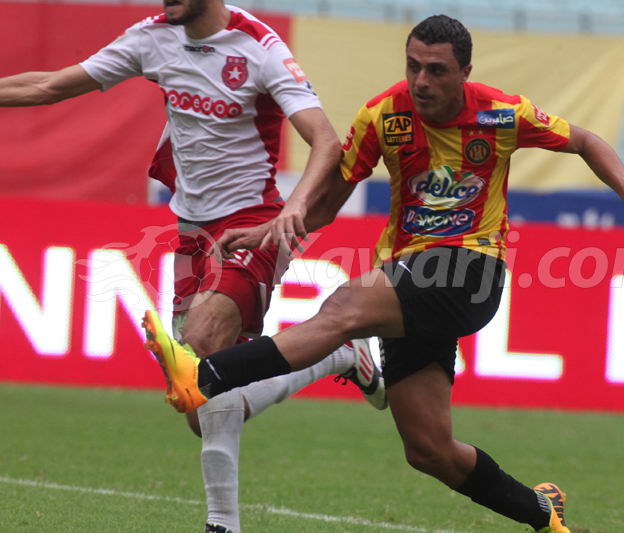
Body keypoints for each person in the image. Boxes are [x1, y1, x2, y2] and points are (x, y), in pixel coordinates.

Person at [143, 14, 624, 533]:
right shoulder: (382, 116)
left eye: (437, 70)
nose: (421, 81)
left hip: (471, 268)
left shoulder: (502, 113)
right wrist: (271, 229)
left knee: (345, 308)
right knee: (429, 450)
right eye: (414, 66)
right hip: (407, 275)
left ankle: (207, 377)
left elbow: (586, 141)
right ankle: (541, 513)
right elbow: (326, 206)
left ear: (464, 71)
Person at [0, 1, 386, 532]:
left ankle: (221, 524)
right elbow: (48, 86)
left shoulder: (259, 46)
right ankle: (337, 355)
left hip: (253, 222)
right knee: (199, 406)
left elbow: (324, 139)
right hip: (190, 231)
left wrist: (295, 208)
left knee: (203, 347)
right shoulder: (150, 38)